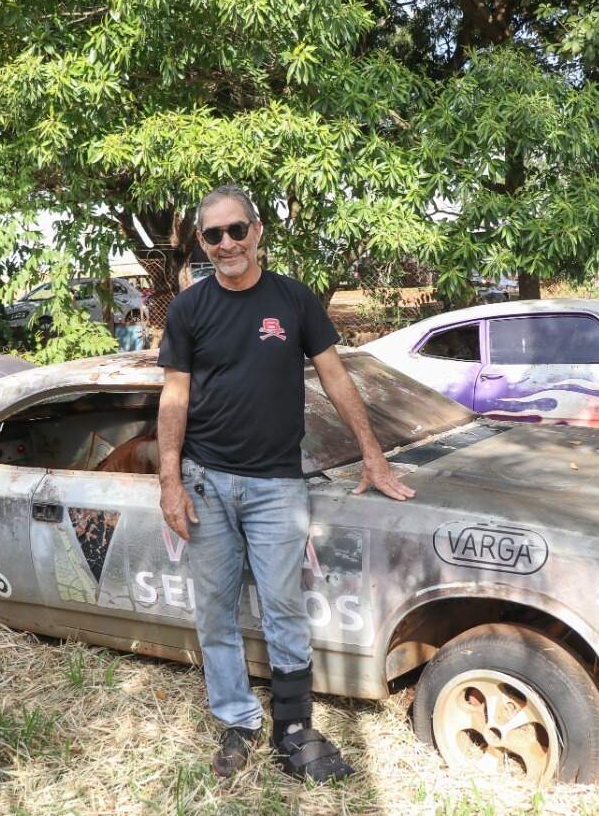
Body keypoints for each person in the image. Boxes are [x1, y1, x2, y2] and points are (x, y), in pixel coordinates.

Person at [156, 185, 414, 782]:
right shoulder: (189, 310)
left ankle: (293, 728)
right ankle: (237, 721)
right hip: (205, 481)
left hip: (276, 484)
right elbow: (174, 396)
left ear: (258, 231)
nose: (227, 244)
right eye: (213, 235)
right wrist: (170, 481)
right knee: (215, 610)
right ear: (202, 242)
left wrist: (373, 456)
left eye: (236, 230)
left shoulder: (293, 300)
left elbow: (336, 379)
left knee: (283, 608)